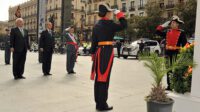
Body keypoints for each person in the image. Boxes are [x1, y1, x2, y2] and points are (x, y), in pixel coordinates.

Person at [90, 3, 127, 111]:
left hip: (98, 52)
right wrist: (119, 14)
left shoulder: (96, 25)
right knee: (104, 78)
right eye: (110, 12)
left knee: (99, 78)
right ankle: (102, 104)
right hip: (107, 52)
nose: (111, 14)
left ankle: (98, 103)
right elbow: (124, 25)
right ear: (107, 13)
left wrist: (93, 54)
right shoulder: (110, 24)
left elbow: (93, 42)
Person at [156, 15, 187, 90]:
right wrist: (162, 26)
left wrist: (183, 55)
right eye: (171, 22)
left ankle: (176, 85)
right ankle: (169, 86)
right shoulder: (167, 32)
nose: (172, 24)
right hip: (167, 53)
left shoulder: (181, 33)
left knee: (176, 70)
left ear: (177, 24)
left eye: (174, 22)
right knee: (168, 70)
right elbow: (157, 32)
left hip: (176, 53)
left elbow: (185, 45)